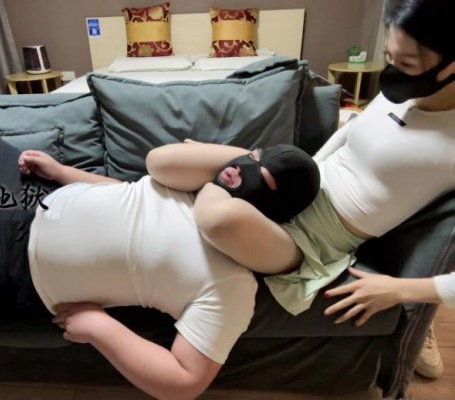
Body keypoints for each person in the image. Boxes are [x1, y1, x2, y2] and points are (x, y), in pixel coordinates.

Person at [147, 0, 455, 378]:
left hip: (312, 240)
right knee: (161, 161)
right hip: (292, 186)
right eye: (390, 57)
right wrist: (286, 170)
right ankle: (228, 179)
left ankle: (212, 191)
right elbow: (347, 136)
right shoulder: (400, 93)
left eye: (406, 63)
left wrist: (402, 291)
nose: (392, 72)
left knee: (220, 219)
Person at [0, 137, 319, 400]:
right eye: (252, 156)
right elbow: (129, 194)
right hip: (32, 201)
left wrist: (99, 327)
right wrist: (62, 173)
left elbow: (185, 381)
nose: (238, 167)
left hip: (21, 266)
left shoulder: (232, 284)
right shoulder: (193, 184)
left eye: (260, 174)